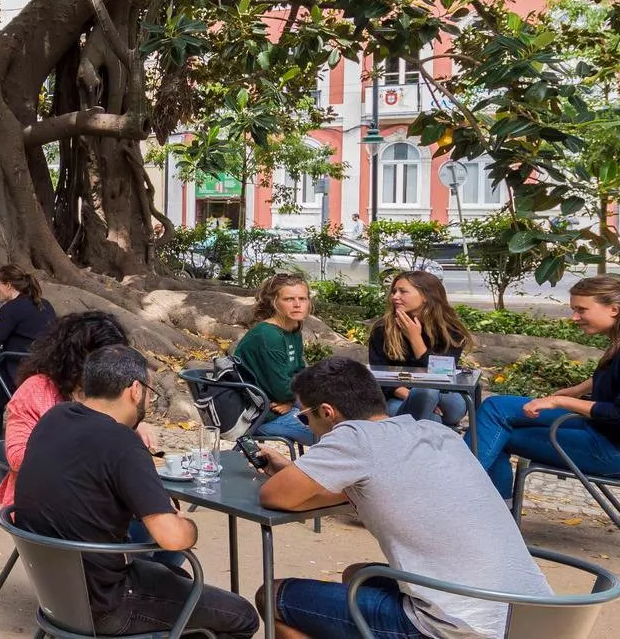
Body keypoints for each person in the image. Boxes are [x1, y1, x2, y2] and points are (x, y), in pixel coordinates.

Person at [260, 357, 549, 639]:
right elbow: (364, 488)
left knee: (272, 596)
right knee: (360, 575)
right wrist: (295, 471)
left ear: (327, 412)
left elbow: (275, 496)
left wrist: (289, 476)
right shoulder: (436, 432)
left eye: (303, 416)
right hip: (534, 619)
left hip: (455, 627)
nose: (305, 425)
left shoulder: (353, 437)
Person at [17, 345, 258, 639]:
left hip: (57, 597)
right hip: (106, 605)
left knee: (177, 578)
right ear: (134, 390)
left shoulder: (53, 419)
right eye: (149, 392)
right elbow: (173, 538)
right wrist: (185, 524)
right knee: (242, 616)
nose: (148, 400)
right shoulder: (122, 442)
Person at [474, 273, 620, 498]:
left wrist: (560, 401)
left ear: (614, 309)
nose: (574, 317)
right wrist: (578, 390)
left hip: (614, 453)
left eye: (582, 310)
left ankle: (462, 496)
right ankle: (489, 507)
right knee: (496, 407)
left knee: (493, 435)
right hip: (602, 432)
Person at [0, 310, 152, 504]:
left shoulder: (104, 391)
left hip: (93, 498)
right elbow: (18, 459)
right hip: (42, 504)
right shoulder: (36, 391)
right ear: (79, 358)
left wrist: (134, 424)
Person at [366, 272, 471, 426]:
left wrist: (415, 338)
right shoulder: (382, 329)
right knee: (426, 402)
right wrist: (417, 398)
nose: (395, 296)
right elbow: (379, 374)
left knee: (427, 391)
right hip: (399, 395)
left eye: (403, 291)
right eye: (394, 291)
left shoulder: (449, 330)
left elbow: (440, 373)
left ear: (426, 296)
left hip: (446, 395)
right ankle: (438, 432)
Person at [0, 263, 58, 440]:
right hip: (47, 366)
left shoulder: (12, 308)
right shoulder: (45, 304)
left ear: (8, 285)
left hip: (20, 366)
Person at [233, 272, 315, 445]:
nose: (297, 304)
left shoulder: (294, 327)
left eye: (303, 298)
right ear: (274, 302)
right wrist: (292, 399)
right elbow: (281, 389)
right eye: (289, 299)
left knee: (340, 417)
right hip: (261, 416)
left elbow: (301, 374)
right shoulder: (268, 335)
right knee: (328, 433)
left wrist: (291, 401)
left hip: (285, 405)